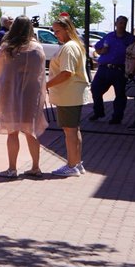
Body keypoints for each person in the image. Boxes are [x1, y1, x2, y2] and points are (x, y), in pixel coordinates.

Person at [0, 16, 48, 178]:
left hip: (10, 93)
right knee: (31, 131)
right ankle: (36, 167)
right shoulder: (37, 49)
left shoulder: (7, 48)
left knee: (12, 132)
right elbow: (40, 74)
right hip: (31, 94)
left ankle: (12, 168)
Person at [46, 17, 91, 176]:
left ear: (67, 29)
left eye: (57, 31)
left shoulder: (69, 47)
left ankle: (72, 165)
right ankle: (76, 163)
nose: (55, 34)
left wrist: (47, 84)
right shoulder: (74, 45)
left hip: (68, 94)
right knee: (73, 130)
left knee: (70, 131)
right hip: (71, 94)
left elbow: (67, 73)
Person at [90, 15, 135, 123]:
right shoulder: (108, 36)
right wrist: (102, 51)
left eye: (124, 23)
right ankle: (98, 112)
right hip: (104, 69)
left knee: (120, 95)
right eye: (120, 23)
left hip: (120, 70)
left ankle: (117, 117)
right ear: (116, 24)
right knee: (95, 89)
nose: (122, 25)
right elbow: (97, 47)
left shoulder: (131, 39)